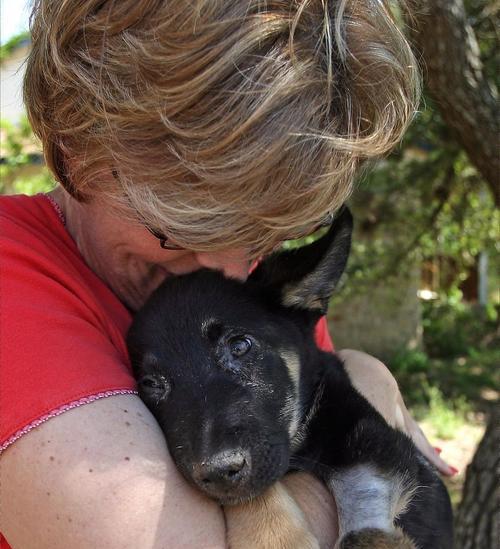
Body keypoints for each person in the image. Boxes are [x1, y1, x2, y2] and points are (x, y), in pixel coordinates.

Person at [0, 1, 455, 547]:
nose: (232, 268)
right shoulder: (14, 273)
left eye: (264, 232)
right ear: (77, 150)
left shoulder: (247, 288)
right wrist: (371, 404)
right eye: (189, 224)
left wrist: (362, 368)